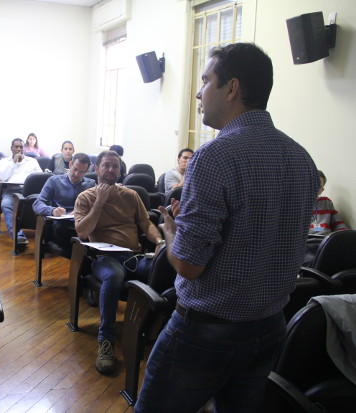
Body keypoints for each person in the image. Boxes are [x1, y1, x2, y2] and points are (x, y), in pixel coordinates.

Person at [134, 43, 318, 412]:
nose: (200, 93)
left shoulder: (214, 155)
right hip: (269, 326)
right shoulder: (302, 158)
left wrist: (172, 231)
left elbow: (188, 265)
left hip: (206, 332)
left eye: (206, 81)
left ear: (232, 88)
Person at [74, 150, 164, 376]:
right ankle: (106, 342)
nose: (110, 170)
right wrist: (100, 203)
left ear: (120, 170)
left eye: (115, 166)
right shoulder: (85, 197)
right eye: (106, 165)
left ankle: (153, 330)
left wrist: (160, 241)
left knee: (163, 268)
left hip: (134, 257)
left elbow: (146, 224)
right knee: (114, 276)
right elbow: (83, 232)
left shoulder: (130, 196)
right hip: (104, 259)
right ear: (97, 169)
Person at [32, 153, 95, 257]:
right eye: (75, 169)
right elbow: (37, 204)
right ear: (70, 164)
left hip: (82, 222)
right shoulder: (54, 181)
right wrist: (52, 210)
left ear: (87, 171)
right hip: (62, 223)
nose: (76, 174)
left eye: (81, 172)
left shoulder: (91, 184)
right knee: (62, 229)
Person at [0, 138, 42, 245]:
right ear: (11, 148)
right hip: (12, 191)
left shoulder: (32, 161)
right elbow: (1, 177)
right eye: (16, 147)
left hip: (29, 191)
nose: (19, 149)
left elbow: (39, 176)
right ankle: (18, 236)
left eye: (21, 147)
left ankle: (45, 234)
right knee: (5, 204)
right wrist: (13, 163)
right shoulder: (4, 161)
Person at [309, 170, 348, 235]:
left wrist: (345, 235)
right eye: (313, 184)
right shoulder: (296, 203)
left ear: (322, 190)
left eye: (319, 186)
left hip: (325, 241)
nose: (315, 188)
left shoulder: (326, 202)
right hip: (306, 241)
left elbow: (338, 224)